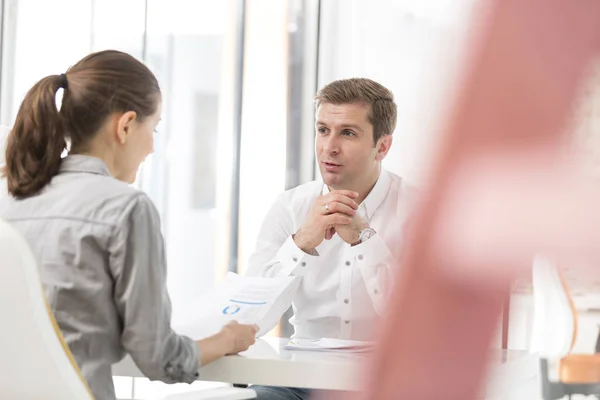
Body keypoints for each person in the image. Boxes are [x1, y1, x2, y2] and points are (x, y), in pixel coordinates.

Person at [0, 50, 257, 400]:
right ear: (125, 125)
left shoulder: (9, 197)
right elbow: (159, 358)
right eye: (154, 127)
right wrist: (227, 339)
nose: (152, 147)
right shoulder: (126, 207)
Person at [246, 78, 414, 400]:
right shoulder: (290, 207)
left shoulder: (418, 210)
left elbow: (416, 328)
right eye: (323, 130)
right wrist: (301, 243)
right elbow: (251, 320)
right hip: (296, 380)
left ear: (382, 146)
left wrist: (364, 240)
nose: (329, 147)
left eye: (347, 133)